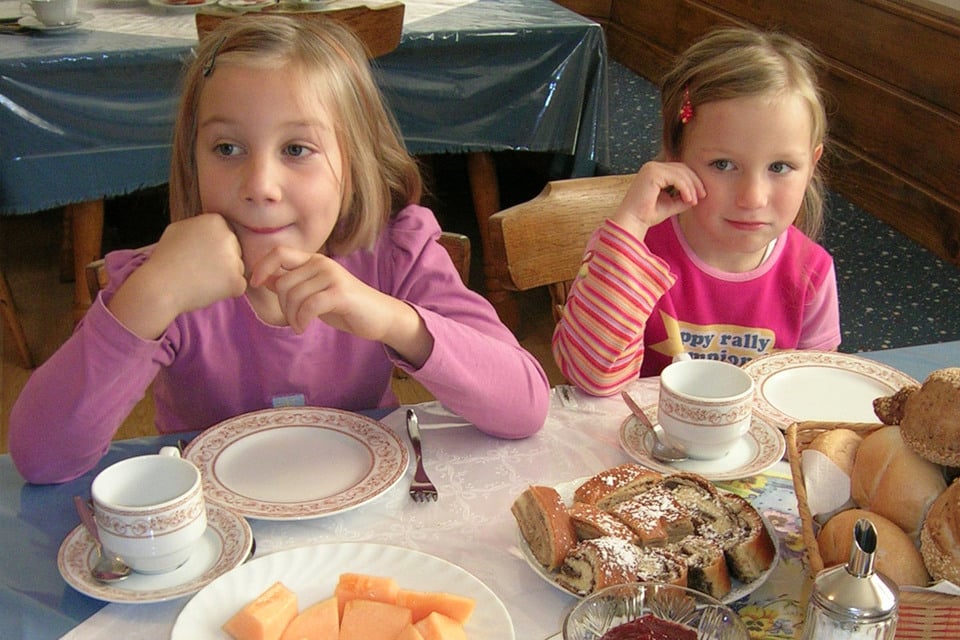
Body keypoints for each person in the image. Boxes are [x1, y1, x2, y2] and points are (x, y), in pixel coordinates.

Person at [10, 16, 550, 484]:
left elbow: (525, 406)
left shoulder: (393, 252)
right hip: (220, 538)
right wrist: (150, 298)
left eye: (297, 149)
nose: (260, 185)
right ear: (191, 160)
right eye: (227, 148)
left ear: (353, 162)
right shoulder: (166, 283)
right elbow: (41, 458)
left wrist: (392, 319)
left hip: (367, 525)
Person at [553, 27, 841, 396]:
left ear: (812, 165)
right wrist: (630, 225)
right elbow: (589, 378)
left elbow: (812, 396)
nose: (752, 197)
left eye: (780, 167)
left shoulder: (811, 272)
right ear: (676, 156)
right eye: (723, 164)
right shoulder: (633, 252)